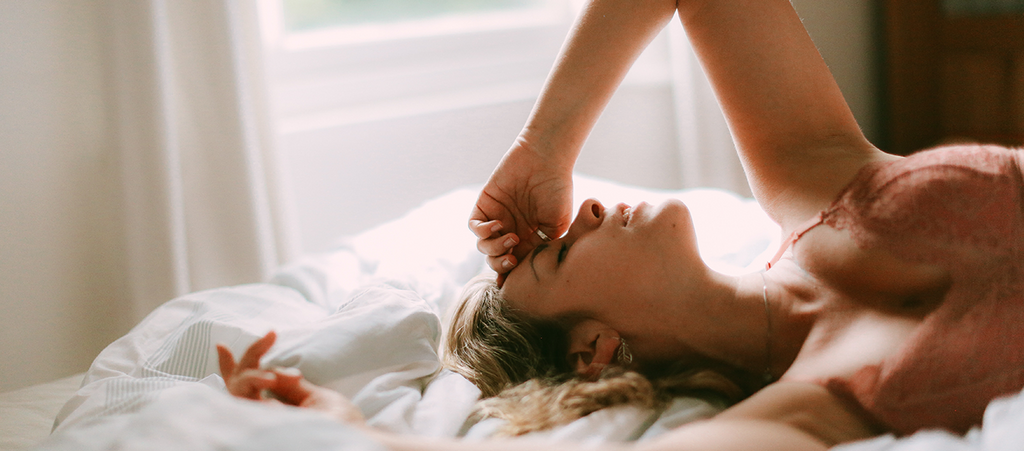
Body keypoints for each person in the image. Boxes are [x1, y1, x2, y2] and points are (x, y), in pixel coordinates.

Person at [218, 0, 1024, 449]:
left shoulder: (812, 178)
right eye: (564, 250)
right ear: (598, 350)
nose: (589, 208)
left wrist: (545, 145)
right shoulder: (807, 410)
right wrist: (350, 432)